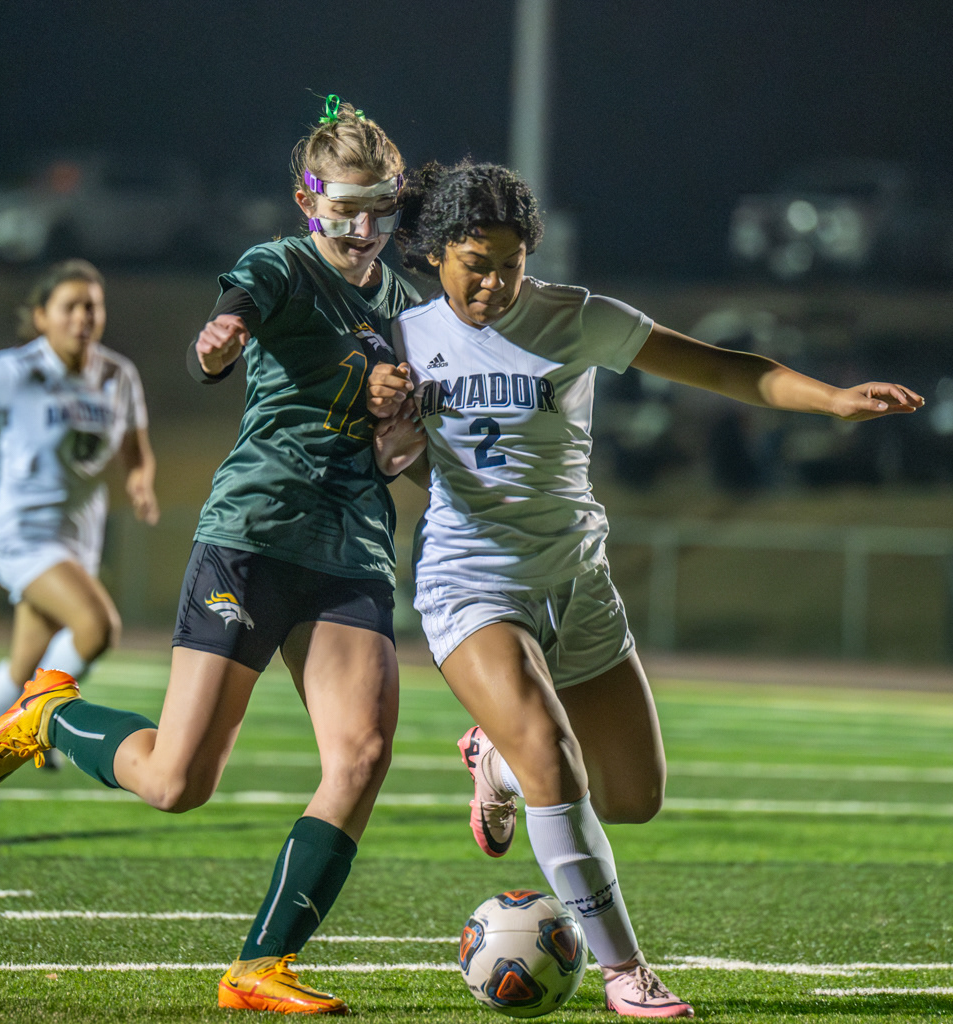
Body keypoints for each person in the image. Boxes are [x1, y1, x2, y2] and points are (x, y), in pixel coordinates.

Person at [368, 161, 924, 1019]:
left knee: (632, 796)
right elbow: (387, 462)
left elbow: (727, 369)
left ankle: (493, 760)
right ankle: (626, 970)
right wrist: (391, 433)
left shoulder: (576, 317)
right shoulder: (401, 339)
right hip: (470, 580)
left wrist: (831, 401)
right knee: (557, 762)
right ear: (436, 255)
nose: (494, 282)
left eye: (510, 263)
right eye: (476, 262)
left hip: (578, 582)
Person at [0, 97, 421, 1016]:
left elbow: (400, 459)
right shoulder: (281, 265)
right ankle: (51, 716)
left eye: (380, 211)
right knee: (176, 783)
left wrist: (398, 418)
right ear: (308, 202)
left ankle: (262, 965)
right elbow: (229, 326)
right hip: (252, 536)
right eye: (345, 212)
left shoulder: (406, 304)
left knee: (362, 754)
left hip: (353, 546)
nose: (364, 230)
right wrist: (221, 338)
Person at [0, 259, 159, 780]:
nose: (83, 317)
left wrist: (139, 480)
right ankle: (40, 721)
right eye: (70, 306)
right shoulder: (17, 370)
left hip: (79, 540)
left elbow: (135, 449)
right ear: (41, 317)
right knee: (96, 627)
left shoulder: (118, 375)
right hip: (22, 535)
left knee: (25, 663)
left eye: (92, 306)